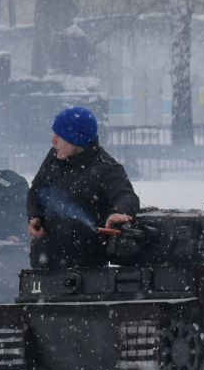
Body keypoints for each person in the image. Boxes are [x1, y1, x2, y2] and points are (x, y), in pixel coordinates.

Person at [27, 106, 139, 268]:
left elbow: (126, 196)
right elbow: (36, 191)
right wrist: (34, 216)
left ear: (76, 140)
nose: (53, 140)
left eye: (60, 135)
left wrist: (119, 213)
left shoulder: (106, 168)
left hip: (86, 272)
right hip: (43, 265)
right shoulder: (54, 157)